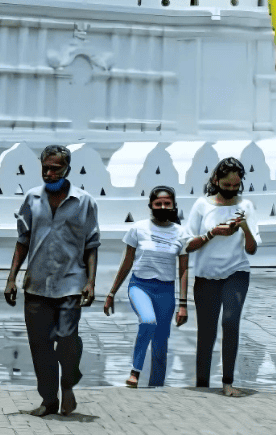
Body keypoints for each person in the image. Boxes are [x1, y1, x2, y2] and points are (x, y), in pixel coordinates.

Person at [4, 144, 100, 417]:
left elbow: (92, 245)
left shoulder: (84, 201)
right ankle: (49, 400)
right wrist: (11, 278)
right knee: (40, 346)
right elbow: (22, 241)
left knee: (67, 338)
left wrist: (91, 282)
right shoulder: (32, 198)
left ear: (67, 169)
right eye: (45, 167)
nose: (48, 172)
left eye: (55, 168)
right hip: (37, 283)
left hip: (71, 282)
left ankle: (68, 382)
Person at [184, 156, 258, 397]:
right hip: (206, 276)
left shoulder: (246, 205)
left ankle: (227, 382)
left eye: (235, 185)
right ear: (216, 180)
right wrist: (213, 233)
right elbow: (188, 245)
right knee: (206, 331)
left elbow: (252, 249)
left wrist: (244, 227)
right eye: (226, 185)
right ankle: (202, 385)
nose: (231, 190)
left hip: (236, 272)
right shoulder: (201, 206)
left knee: (230, 322)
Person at [104, 186, 188, 387]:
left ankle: (156, 387)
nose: (162, 206)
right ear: (150, 205)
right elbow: (126, 262)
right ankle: (135, 371)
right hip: (140, 286)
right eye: (158, 203)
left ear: (174, 206)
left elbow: (184, 270)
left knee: (161, 343)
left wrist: (183, 304)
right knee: (148, 321)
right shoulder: (138, 229)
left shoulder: (182, 233)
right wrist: (111, 293)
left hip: (166, 291)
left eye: (167, 203)